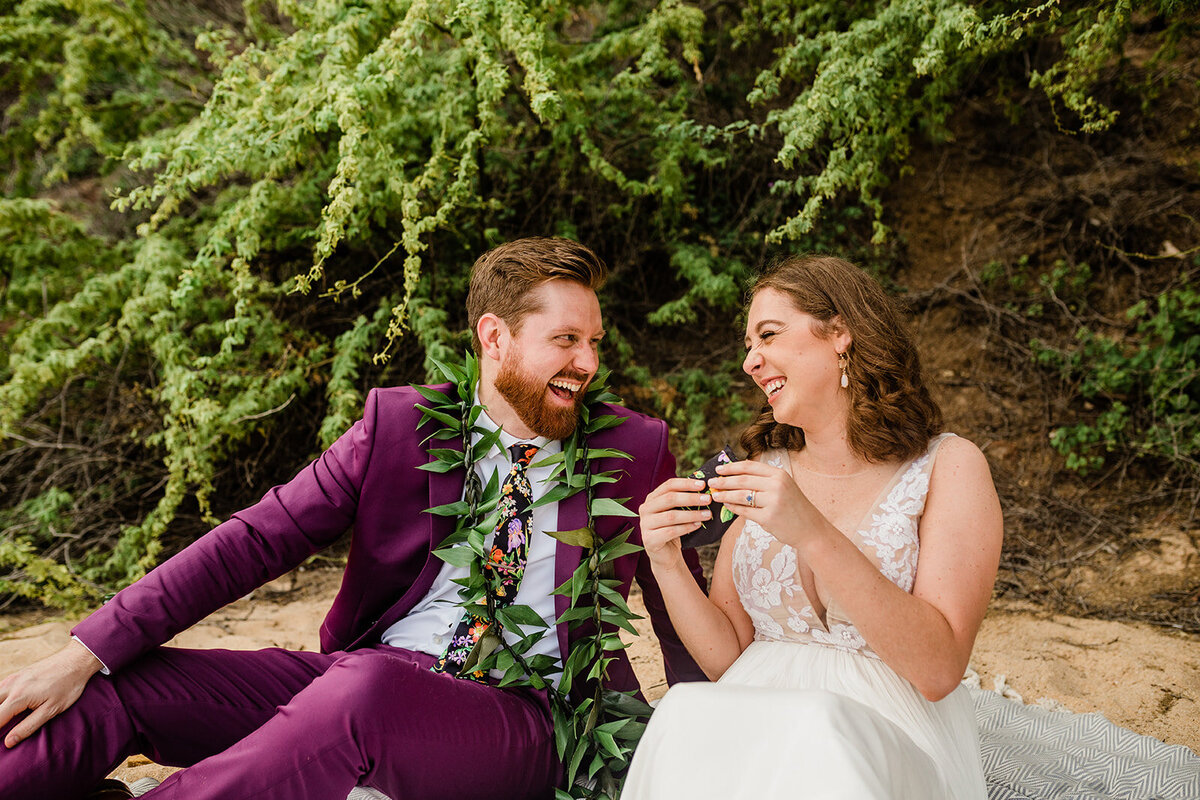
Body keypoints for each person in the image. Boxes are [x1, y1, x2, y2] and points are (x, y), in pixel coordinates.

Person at [0, 237, 707, 800]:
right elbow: (253, 541)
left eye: (595, 342)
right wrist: (82, 654)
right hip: (366, 676)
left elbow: (680, 609)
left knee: (366, 694)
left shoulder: (635, 449)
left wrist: (712, 731)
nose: (588, 362)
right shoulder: (399, 427)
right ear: (495, 337)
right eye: (566, 340)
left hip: (534, 716)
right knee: (121, 689)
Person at [623, 254, 1003, 799]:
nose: (752, 362)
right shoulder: (764, 470)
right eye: (749, 347)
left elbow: (939, 669)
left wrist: (812, 532)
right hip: (754, 719)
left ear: (841, 334)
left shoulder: (948, 466)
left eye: (769, 335)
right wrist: (663, 560)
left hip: (880, 733)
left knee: (818, 731)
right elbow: (729, 656)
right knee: (683, 710)